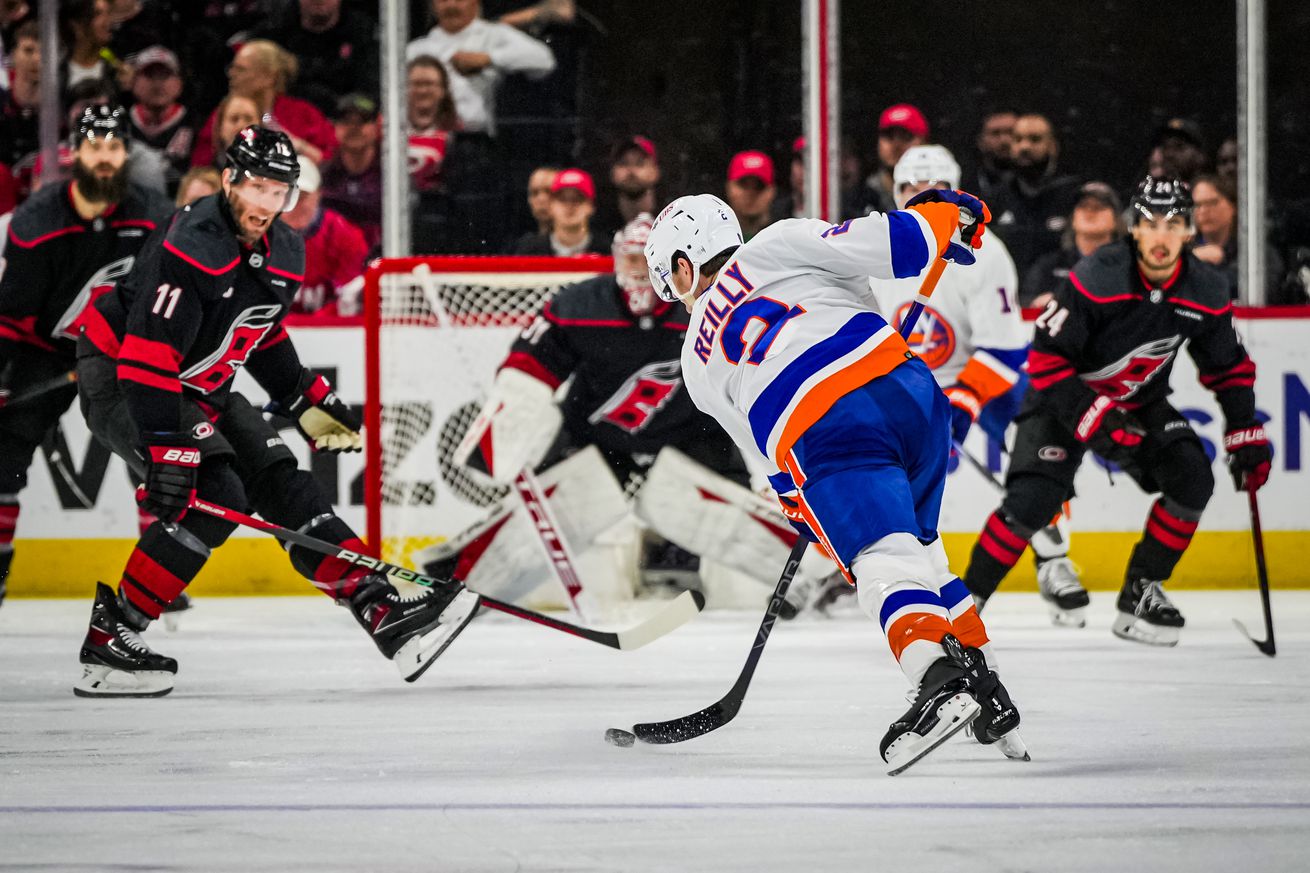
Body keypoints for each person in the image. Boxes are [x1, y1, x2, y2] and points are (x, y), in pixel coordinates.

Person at [72, 126, 479, 696]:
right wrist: (167, 446)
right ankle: (113, 638)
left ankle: (382, 611)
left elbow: (258, 332)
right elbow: (146, 359)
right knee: (215, 496)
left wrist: (304, 395)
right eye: (257, 186)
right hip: (122, 376)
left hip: (197, 384)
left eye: (279, 190)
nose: (267, 203)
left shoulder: (283, 250)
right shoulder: (191, 241)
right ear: (229, 180)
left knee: (285, 483)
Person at [643, 189, 1028, 773]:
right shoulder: (776, 241)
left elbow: (769, 464)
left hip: (823, 424)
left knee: (881, 558)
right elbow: (903, 244)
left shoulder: (696, 367)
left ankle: (938, 677)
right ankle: (987, 688)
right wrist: (947, 214)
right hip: (910, 393)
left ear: (682, 266)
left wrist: (816, 520)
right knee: (924, 555)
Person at [421, 214, 829, 614]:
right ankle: (453, 586)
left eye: (645, 262)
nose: (637, 273)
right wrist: (506, 422)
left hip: (689, 443)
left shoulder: (703, 312)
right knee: (537, 527)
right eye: (629, 259)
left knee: (738, 542)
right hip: (600, 448)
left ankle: (823, 573)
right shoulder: (583, 305)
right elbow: (530, 364)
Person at [962, 177, 1271, 647]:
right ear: (1134, 229)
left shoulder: (1205, 289)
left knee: (1192, 477)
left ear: (1190, 231)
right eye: (1150, 224)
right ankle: (964, 606)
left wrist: (1245, 429)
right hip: (1061, 400)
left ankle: (1140, 591)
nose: (1162, 236)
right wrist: (1096, 416)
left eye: (1174, 224)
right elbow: (1046, 362)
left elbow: (1227, 368)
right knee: (1031, 503)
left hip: (1137, 404)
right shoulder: (1097, 276)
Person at [865, 146, 1084, 626]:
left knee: (1037, 442)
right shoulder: (873, 249)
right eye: (909, 190)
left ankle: (1053, 555)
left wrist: (960, 407)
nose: (921, 201)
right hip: (906, 378)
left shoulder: (984, 251)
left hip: (981, 373)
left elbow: (1004, 350)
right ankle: (872, 564)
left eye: (934, 191)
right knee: (867, 457)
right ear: (895, 193)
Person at [0, 105, 172, 610]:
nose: (104, 158)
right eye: (94, 147)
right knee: (4, 458)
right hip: (45, 352)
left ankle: (157, 571)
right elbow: (11, 316)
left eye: (114, 147)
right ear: (75, 153)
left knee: (153, 450)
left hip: (123, 354)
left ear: (125, 154)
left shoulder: (155, 217)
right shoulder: (37, 222)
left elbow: (168, 297)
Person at [405, 0, 555, 137]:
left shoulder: (494, 34)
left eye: (459, 0)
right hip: (424, 136)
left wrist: (488, 58)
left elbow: (544, 59)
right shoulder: (415, 50)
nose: (451, 6)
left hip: (476, 139)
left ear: (476, 2)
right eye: (443, 0)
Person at [190, 40, 338, 167]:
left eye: (240, 69)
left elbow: (329, 159)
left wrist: (296, 145)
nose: (231, 74)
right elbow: (201, 165)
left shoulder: (302, 113)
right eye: (232, 67)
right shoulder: (225, 112)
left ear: (270, 77)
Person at [987, 113, 1080, 279]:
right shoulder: (997, 196)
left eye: (1035, 139)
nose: (1025, 147)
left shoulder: (1073, 194)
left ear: (1052, 146)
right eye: (1018, 139)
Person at [250, 0, 380, 117]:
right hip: (282, 121)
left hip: (344, 122)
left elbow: (370, 99)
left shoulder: (363, 32)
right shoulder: (271, 32)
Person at [281, 156, 368, 317]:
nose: (294, 204)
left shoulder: (345, 236)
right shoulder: (259, 236)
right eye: (288, 195)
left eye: (302, 196)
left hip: (330, 333)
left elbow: (349, 300)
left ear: (318, 195)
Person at [1021, 181, 1124, 308]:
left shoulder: (1129, 266)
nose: (1090, 212)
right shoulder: (1048, 266)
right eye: (1083, 206)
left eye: (1099, 207)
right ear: (1073, 219)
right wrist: (1036, 302)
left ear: (1116, 220)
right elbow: (1021, 304)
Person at [1190, 173, 1283, 302]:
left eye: (1212, 202)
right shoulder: (1183, 251)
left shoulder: (1258, 252)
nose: (1203, 211)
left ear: (1233, 206)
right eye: (1197, 205)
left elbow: (1259, 290)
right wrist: (1191, 258)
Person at [125, 46, 195, 196]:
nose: (157, 84)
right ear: (133, 82)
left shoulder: (196, 123)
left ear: (179, 83)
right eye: (150, 75)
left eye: (165, 75)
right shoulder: (120, 124)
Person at [319, 93, 383, 251]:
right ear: (334, 127)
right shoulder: (322, 176)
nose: (354, 128)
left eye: (362, 121)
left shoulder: (392, 177)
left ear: (377, 127)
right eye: (345, 121)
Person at [511, 168, 607, 256]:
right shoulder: (529, 250)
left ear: (591, 206)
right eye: (562, 199)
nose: (569, 206)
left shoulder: (609, 250)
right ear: (551, 205)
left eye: (578, 199)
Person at [858, 103, 930, 215]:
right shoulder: (863, 196)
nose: (896, 145)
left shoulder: (939, 190)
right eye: (889, 135)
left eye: (906, 136)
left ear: (924, 142)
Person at [0, 20, 41, 202]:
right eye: (28, 50)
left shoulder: (63, 111)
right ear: (13, 56)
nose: (37, 59)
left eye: (44, 52)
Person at [598, 135, 659, 238]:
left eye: (639, 163)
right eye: (623, 163)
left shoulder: (672, 218)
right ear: (612, 173)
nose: (631, 171)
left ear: (655, 172)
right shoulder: (599, 225)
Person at [965, 109, 1016, 205]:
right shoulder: (966, 184)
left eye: (1010, 132)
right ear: (980, 141)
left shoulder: (1034, 185)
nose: (1004, 140)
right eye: (995, 133)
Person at [724, 150, 777, 241]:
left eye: (759, 186)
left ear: (772, 191)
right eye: (743, 184)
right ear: (729, 187)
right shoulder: (711, 240)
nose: (750, 193)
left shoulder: (784, 238)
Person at [202, 94, 262, 170]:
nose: (241, 126)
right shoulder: (206, 177)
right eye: (234, 119)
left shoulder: (275, 175)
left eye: (248, 119)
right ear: (220, 128)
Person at [1150, 118, 1209, 185]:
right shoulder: (1155, 188)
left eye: (1178, 146)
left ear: (1199, 154)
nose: (1169, 154)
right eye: (1166, 147)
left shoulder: (1214, 190)